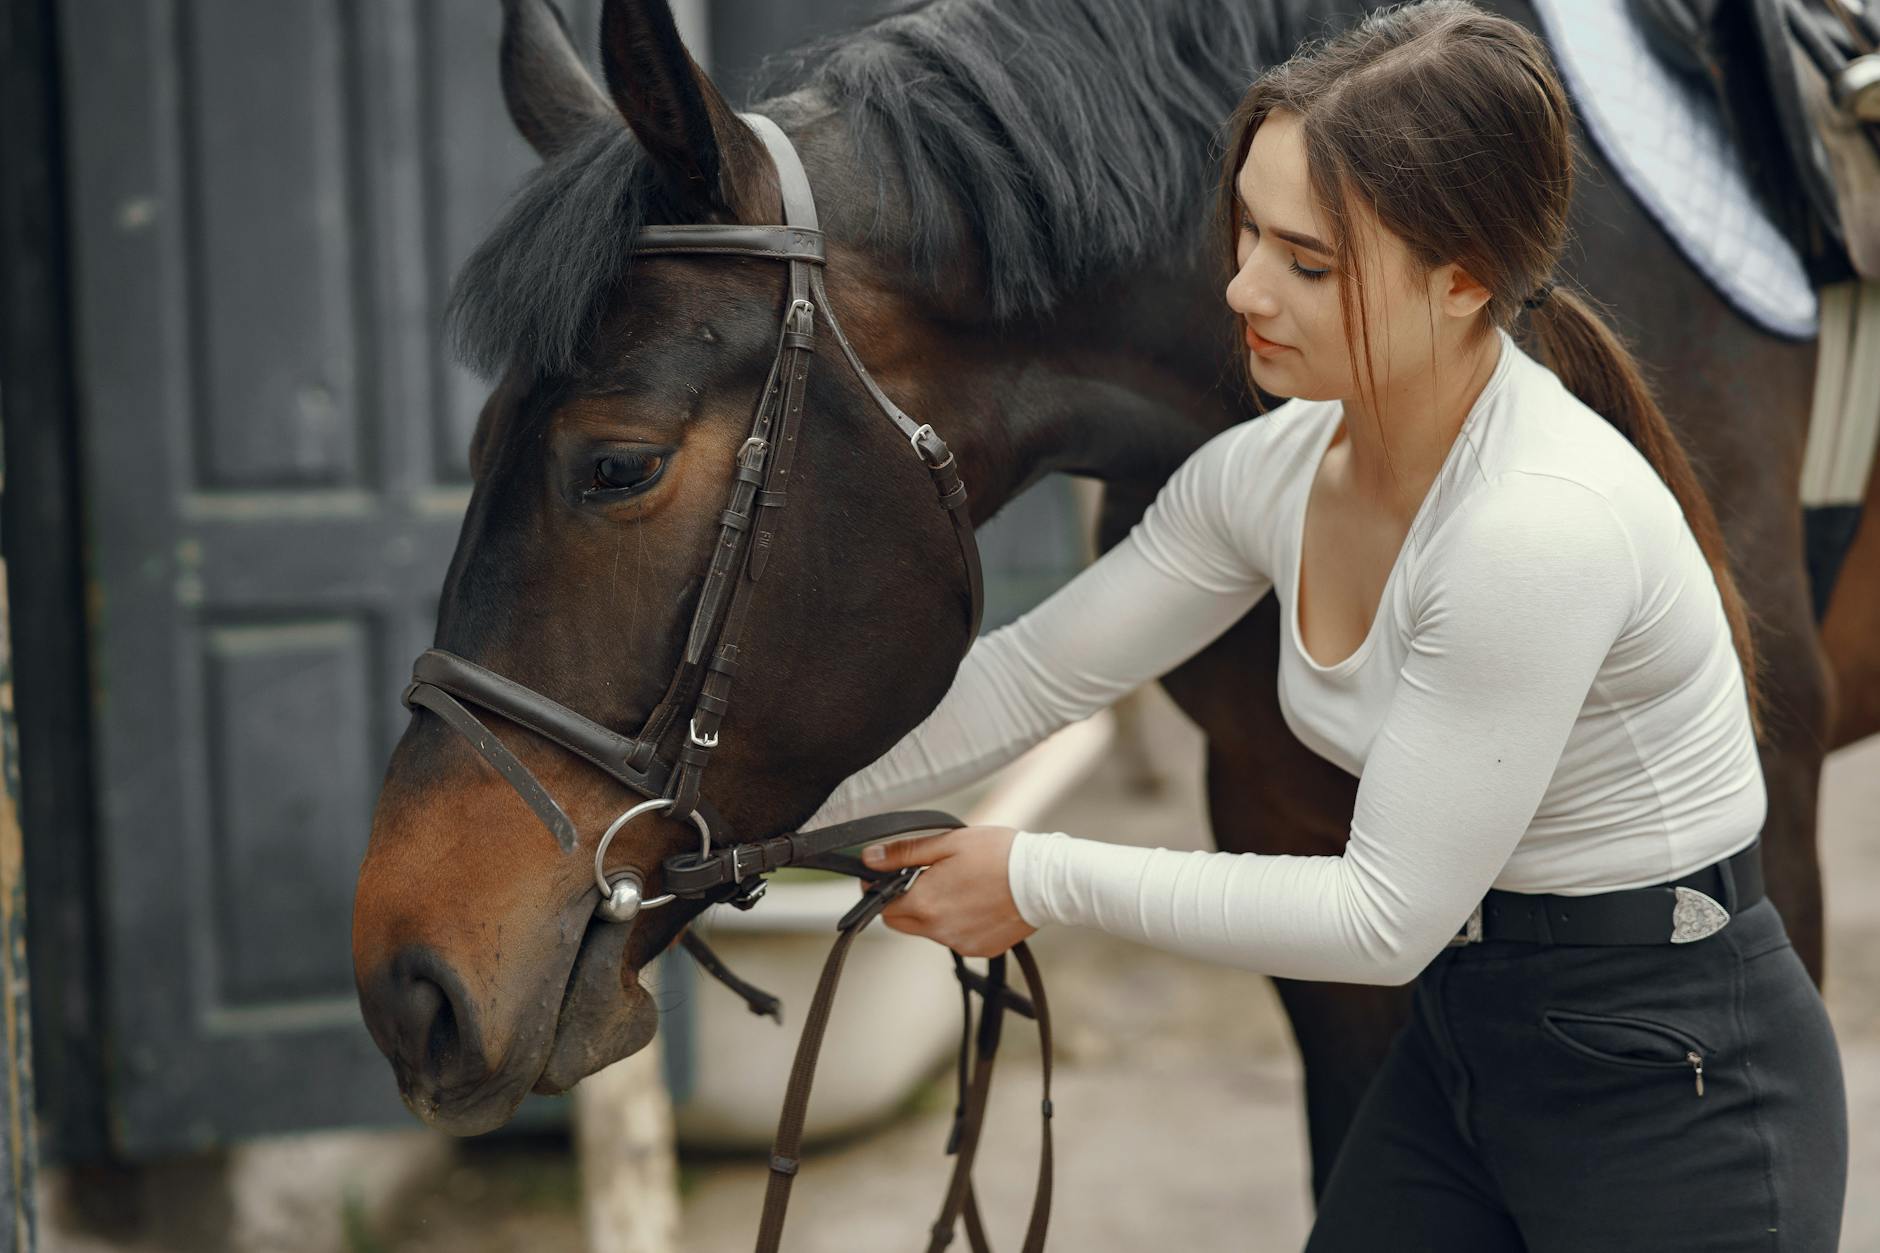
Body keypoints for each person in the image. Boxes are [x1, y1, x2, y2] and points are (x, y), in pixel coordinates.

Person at [803, 2, 1849, 1248]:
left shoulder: (1530, 525)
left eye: (1308, 262)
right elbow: (1032, 676)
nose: (1242, 285)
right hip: (1464, 1030)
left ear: (1461, 280)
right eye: (1245, 229)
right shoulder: (1275, 469)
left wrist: (1034, 872)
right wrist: (728, 804)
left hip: (1669, 1079)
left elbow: (1378, 916)